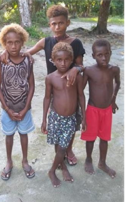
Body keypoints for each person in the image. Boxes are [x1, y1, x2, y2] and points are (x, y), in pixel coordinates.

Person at [1, 4, 86, 166]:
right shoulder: (46, 41)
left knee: (72, 119)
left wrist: (76, 69)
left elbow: (81, 65)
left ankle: (68, 149)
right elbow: (24, 53)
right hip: (53, 88)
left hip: (71, 88)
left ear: (67, 23)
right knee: (57, 119)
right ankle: (59, 150)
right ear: (49, 25)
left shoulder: (75, 43)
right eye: (53, 23)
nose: (57, 27)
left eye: (61, 23)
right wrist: (5, 51)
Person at [41, 42, 86, 188]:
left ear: (71, 60)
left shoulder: (76, 77)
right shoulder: (50, 78)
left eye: (67, 59)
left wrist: (84, 117)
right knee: (58, 145)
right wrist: (43, 120)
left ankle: (52, 171)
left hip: (70, 118)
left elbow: (81, 96)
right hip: (55, 117)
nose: (63, 63)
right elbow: (47, 98)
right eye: (59, 60)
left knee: (62, 147)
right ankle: (63, 167)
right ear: (53, 60)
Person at [0, 23, 35, 181]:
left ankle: (25, 160)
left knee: (23, 134)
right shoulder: (2, 62)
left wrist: (26, 107)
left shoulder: (28, 61)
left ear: (22, 42)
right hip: (7, 108)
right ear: (4, 43)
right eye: (9, 42)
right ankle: (9, 161)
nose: (13, 46)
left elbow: (32, 84)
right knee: (9, 136)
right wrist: (7, 109)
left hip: (24, 109)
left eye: (17, 42)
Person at [81, 39, 120, 178]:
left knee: (104, 138)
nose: (104, 58)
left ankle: (102, 163)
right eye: (99, 55)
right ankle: (88, 159)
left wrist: (113, 99)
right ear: (93, 56)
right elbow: (81, 92)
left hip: (107, 110)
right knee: (90, 138)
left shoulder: (114, 69)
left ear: (110, 53)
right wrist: (83, 115)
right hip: (92, 109)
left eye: (107, 54)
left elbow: (118, 83)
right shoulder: (89, 71)